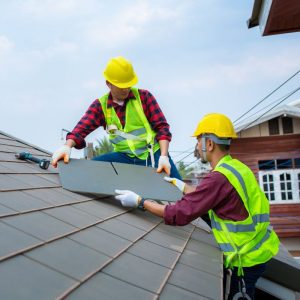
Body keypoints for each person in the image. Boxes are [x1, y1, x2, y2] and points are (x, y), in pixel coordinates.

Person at [114, 113, 280, 300]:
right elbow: (209, 197)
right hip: (258, 249)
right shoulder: (236, 168)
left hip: (245, 260)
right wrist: (182, 186)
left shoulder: (218, 178)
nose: (197, 146)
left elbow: (178, 214)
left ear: (209, 144)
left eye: (199, 140)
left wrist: (140, 202)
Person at [51, 56, 181, 179]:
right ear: (109, 83)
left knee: (179, 191)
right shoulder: (100, 106)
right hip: (124, 158)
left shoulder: (144, 97)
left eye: (128, 85)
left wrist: (164, 156)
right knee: (90, 169)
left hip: (153, 155)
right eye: (121, 86)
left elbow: (162, 128)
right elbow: (81, 129)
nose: (125, 89)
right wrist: (67, 147)